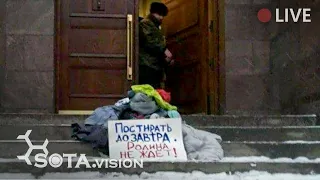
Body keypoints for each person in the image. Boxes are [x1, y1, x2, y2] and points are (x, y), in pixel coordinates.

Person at [139, 2, 174, 89]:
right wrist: (164, 50)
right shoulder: (146, 23)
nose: (161, 17)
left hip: (152, 65)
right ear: (153, 12)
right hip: (148, 66)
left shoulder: (153, 25)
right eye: (159, 14)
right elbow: (150, 42)